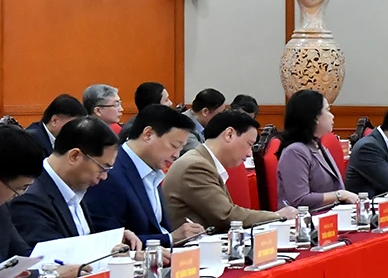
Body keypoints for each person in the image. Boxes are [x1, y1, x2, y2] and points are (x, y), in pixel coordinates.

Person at [84, 103, 204, 246]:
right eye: (174, 146)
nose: (176, 155)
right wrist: (171, 239)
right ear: (148, 135)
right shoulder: (109, 172)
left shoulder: (152, 169)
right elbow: (109, 241)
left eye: (181, 148)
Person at [9, 116, 139, 248]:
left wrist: (114, 240)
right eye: (102, 168)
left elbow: (80, 241)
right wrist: (106, 247)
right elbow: (50, 256)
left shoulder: (74, 186)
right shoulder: (30, 197)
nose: (104, 177)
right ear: (74, 156)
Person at [163, 109, 296, 232]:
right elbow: (226, 216)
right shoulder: (195, 166)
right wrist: (278, 215)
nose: (250, 153)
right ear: (229, 134)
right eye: (249, 144)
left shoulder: (203, 160)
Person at [276, 89, 356, 210]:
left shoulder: (317, 145)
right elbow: (300, 199)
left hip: (329, 218)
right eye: (328, 111)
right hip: (305, 223)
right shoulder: (294, 152)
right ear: (315, 118)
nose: (332, 116)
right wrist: (339, 195)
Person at [0, 123, 45, 257]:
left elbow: (23, 256)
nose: (18, 195)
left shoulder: (2, 211)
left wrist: (54, 271)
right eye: (19, 188)